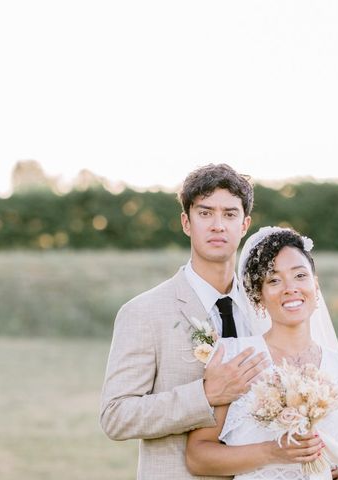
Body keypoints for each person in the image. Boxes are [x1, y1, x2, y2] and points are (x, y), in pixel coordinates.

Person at [100, 163, 270, 480]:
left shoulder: (264, 310)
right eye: (205, 213)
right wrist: (204, 395)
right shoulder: (144, 312)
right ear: (186, 223)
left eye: (229, 214)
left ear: (245, 224)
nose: (218, 225)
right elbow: (116, 416)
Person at [186, 227, 338, 480]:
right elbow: (198, 457)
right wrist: (275, 452)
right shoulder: (235, 357)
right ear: (258, 296)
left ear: (315, 284)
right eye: (274, 280)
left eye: (300, 275)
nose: (290, 288)